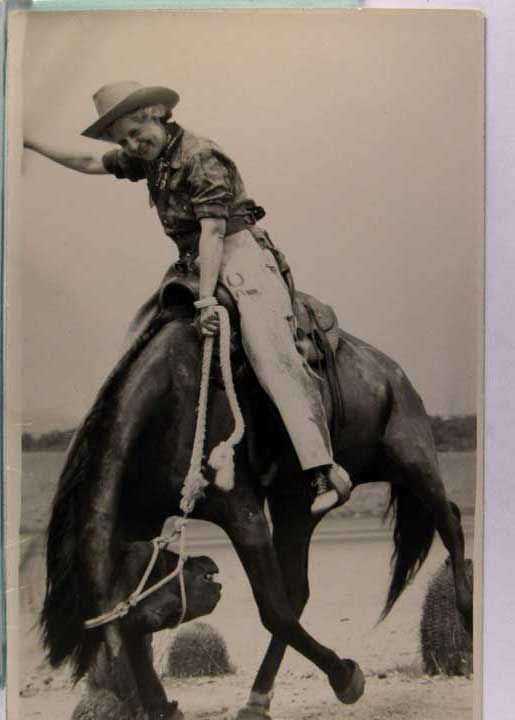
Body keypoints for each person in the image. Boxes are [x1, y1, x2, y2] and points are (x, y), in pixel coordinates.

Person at [24, 81, 352, 514]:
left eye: (136, 133)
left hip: (239, 255)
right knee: (139, 341)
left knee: (269, 352)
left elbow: (213, 231)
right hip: (194, 262)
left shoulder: (201, 156)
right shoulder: (152, 160)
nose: (132, 145)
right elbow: (87, 161)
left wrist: (206, 302)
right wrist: (29, 143)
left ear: (156, 115)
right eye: (123, 141)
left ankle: (323, 469)